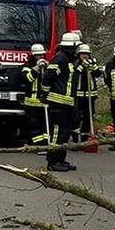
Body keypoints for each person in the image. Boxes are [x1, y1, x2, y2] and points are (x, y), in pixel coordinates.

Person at [42, 30, 82, 171]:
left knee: (65, 133)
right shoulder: (59, 59)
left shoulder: (69, 59)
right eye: (76, 47)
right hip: (58, 102)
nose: (78, 50)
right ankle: (52, 161)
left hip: (67, 102)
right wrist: (44, 94)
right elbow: (47, 78)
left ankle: (61, 159)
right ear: (71, 47)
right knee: (58, 133)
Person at [21, 43, 48, 149]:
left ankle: (45, 143)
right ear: (33, 56)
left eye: (42, 55)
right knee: (34, 124)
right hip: (31, 102)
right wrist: (37, 68)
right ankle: (35, 144)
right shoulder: (26, 67)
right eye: (38, 55)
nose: (41, 57)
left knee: (45, 124)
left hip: (44, 101)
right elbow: (28, 79)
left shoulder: (47, 67)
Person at [76, 43, 98, 141]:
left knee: (88, 117)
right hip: (78, 95)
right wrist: (81, 67)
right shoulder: (75, 63)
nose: (85, 56)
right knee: (76, 117)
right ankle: (76, 138)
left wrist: (92, 67)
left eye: (87, 54)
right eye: (83, 54)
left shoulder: (92, 63)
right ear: (79, 54)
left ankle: (85, 137)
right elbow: (74, 75)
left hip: (90, 95)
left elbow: (98, 74)